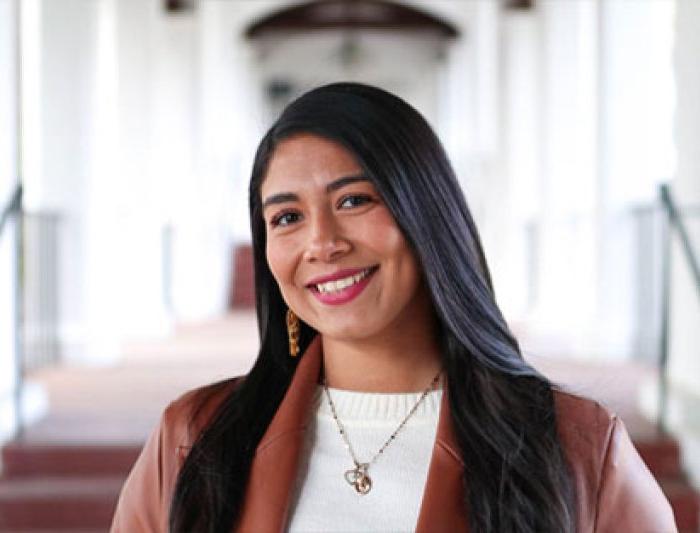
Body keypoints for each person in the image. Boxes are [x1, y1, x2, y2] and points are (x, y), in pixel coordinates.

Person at [111, 83, 676, 533]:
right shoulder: (194, 438)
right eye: (287, 217)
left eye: (354, 200)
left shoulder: (577, 450)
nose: (321, 242)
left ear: (425, 213)